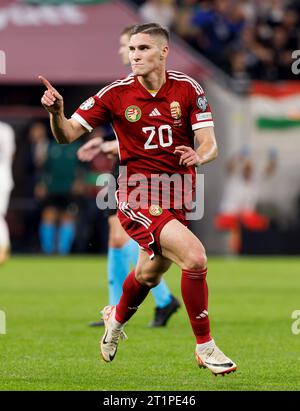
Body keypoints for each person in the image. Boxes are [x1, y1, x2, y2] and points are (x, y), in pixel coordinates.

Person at [39, 23, 237, 376]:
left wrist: (199, 156)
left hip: (179, 195)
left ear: (163, 52)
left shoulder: (188, 89)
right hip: (137, 194)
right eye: (131, 49)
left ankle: (114, 321)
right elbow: (67, 134)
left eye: (143, 49)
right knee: (194, 257)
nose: (134, 56)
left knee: (148, 273)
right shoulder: (114, 94)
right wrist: (56, 113)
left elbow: (209, 143)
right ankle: (205, 346)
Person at [78, 26, 180, 328]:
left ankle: (133, 303)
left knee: (128, 236)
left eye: (131, 46)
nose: (126, 52)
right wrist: (107, 143)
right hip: (121, 167)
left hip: (134, 170)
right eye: (127, 47)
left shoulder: (158, 88)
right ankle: (156, 300)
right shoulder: (123, 89)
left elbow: (150, 138)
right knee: (119, 236)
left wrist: (109, 145)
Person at [0, 121, 15, 264]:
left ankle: (3, 249)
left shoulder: (4, 129)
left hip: (2, 178)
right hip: (4, 178)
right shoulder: (6, 129)